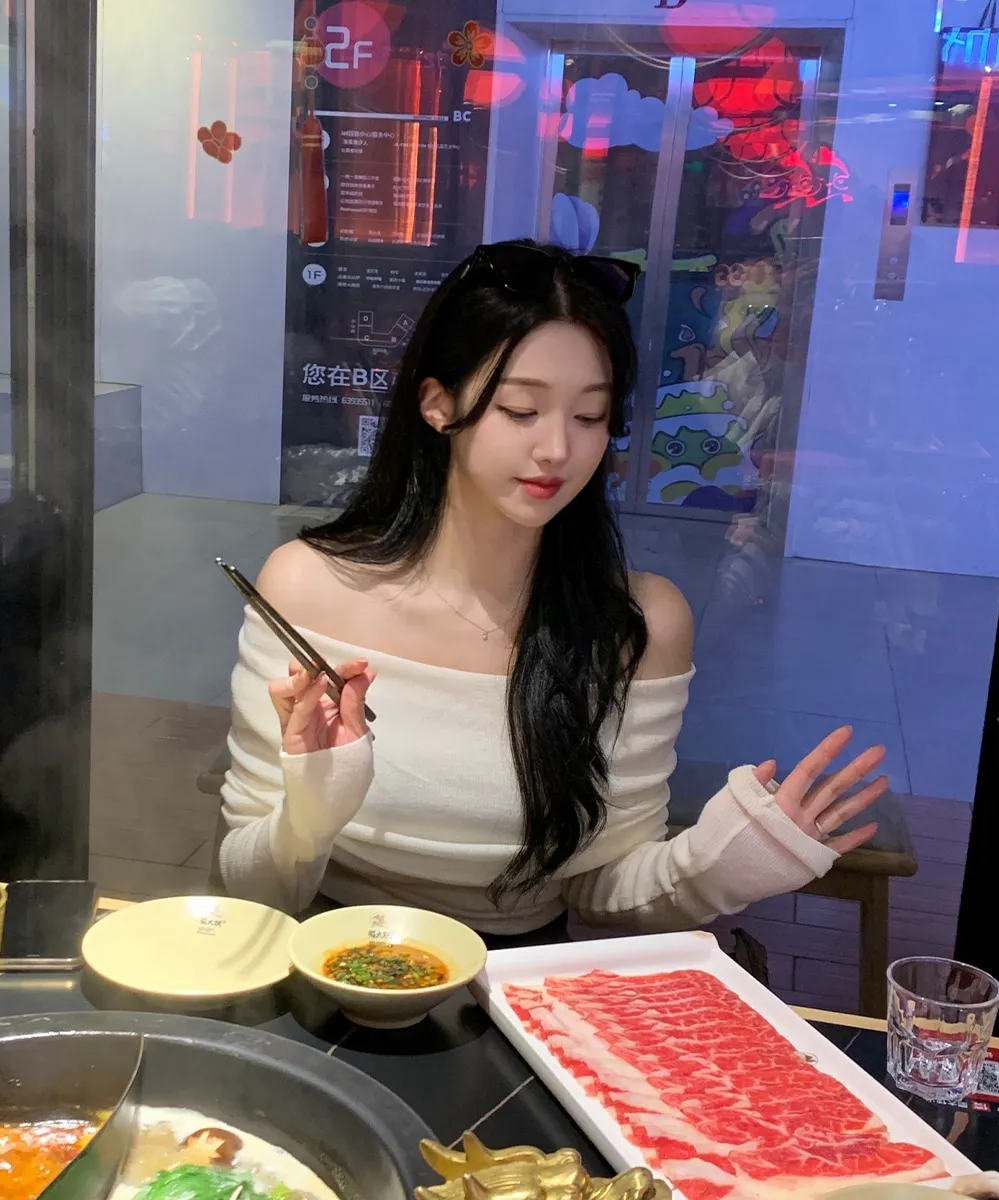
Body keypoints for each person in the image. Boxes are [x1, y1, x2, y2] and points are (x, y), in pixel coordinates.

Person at [219, 240, 884, 946]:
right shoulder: (306, 588)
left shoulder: (638, 625)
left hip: (516, 983)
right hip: (320, 958)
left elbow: (602, 889)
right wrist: (308, 816)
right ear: (437, 404)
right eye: (520, 409)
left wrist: (722, 865)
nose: (558, 450)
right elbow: (250, 890)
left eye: (590, 416)